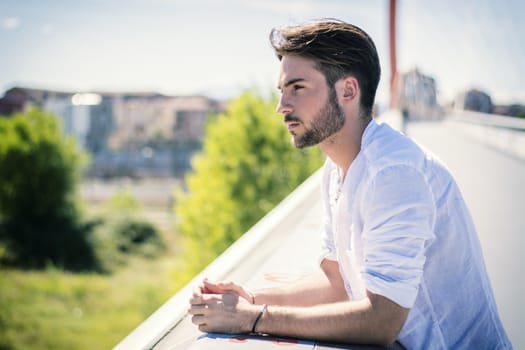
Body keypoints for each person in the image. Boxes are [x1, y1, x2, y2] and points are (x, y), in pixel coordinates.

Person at [188, 19, 512, 349]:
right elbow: (337, 281)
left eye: (297, 88)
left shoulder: (394, 172)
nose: (281, 106)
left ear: (348, 91)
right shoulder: (337, 168)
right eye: (282, 91)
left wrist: (253, 319)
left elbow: (382, 320)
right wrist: (249, 299)